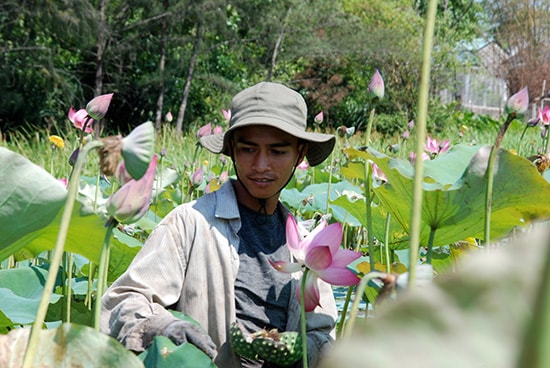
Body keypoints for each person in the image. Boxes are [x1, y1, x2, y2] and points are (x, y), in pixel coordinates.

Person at [101, 81, 338, 367]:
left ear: (299, 154)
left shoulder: (308, 245)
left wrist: (306, 347)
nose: (261, 164)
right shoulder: (191, 222)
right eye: (249, 149)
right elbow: (121, 302)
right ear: (232, 151)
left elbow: (324, 332)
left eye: (277, 152)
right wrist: (165, 327)